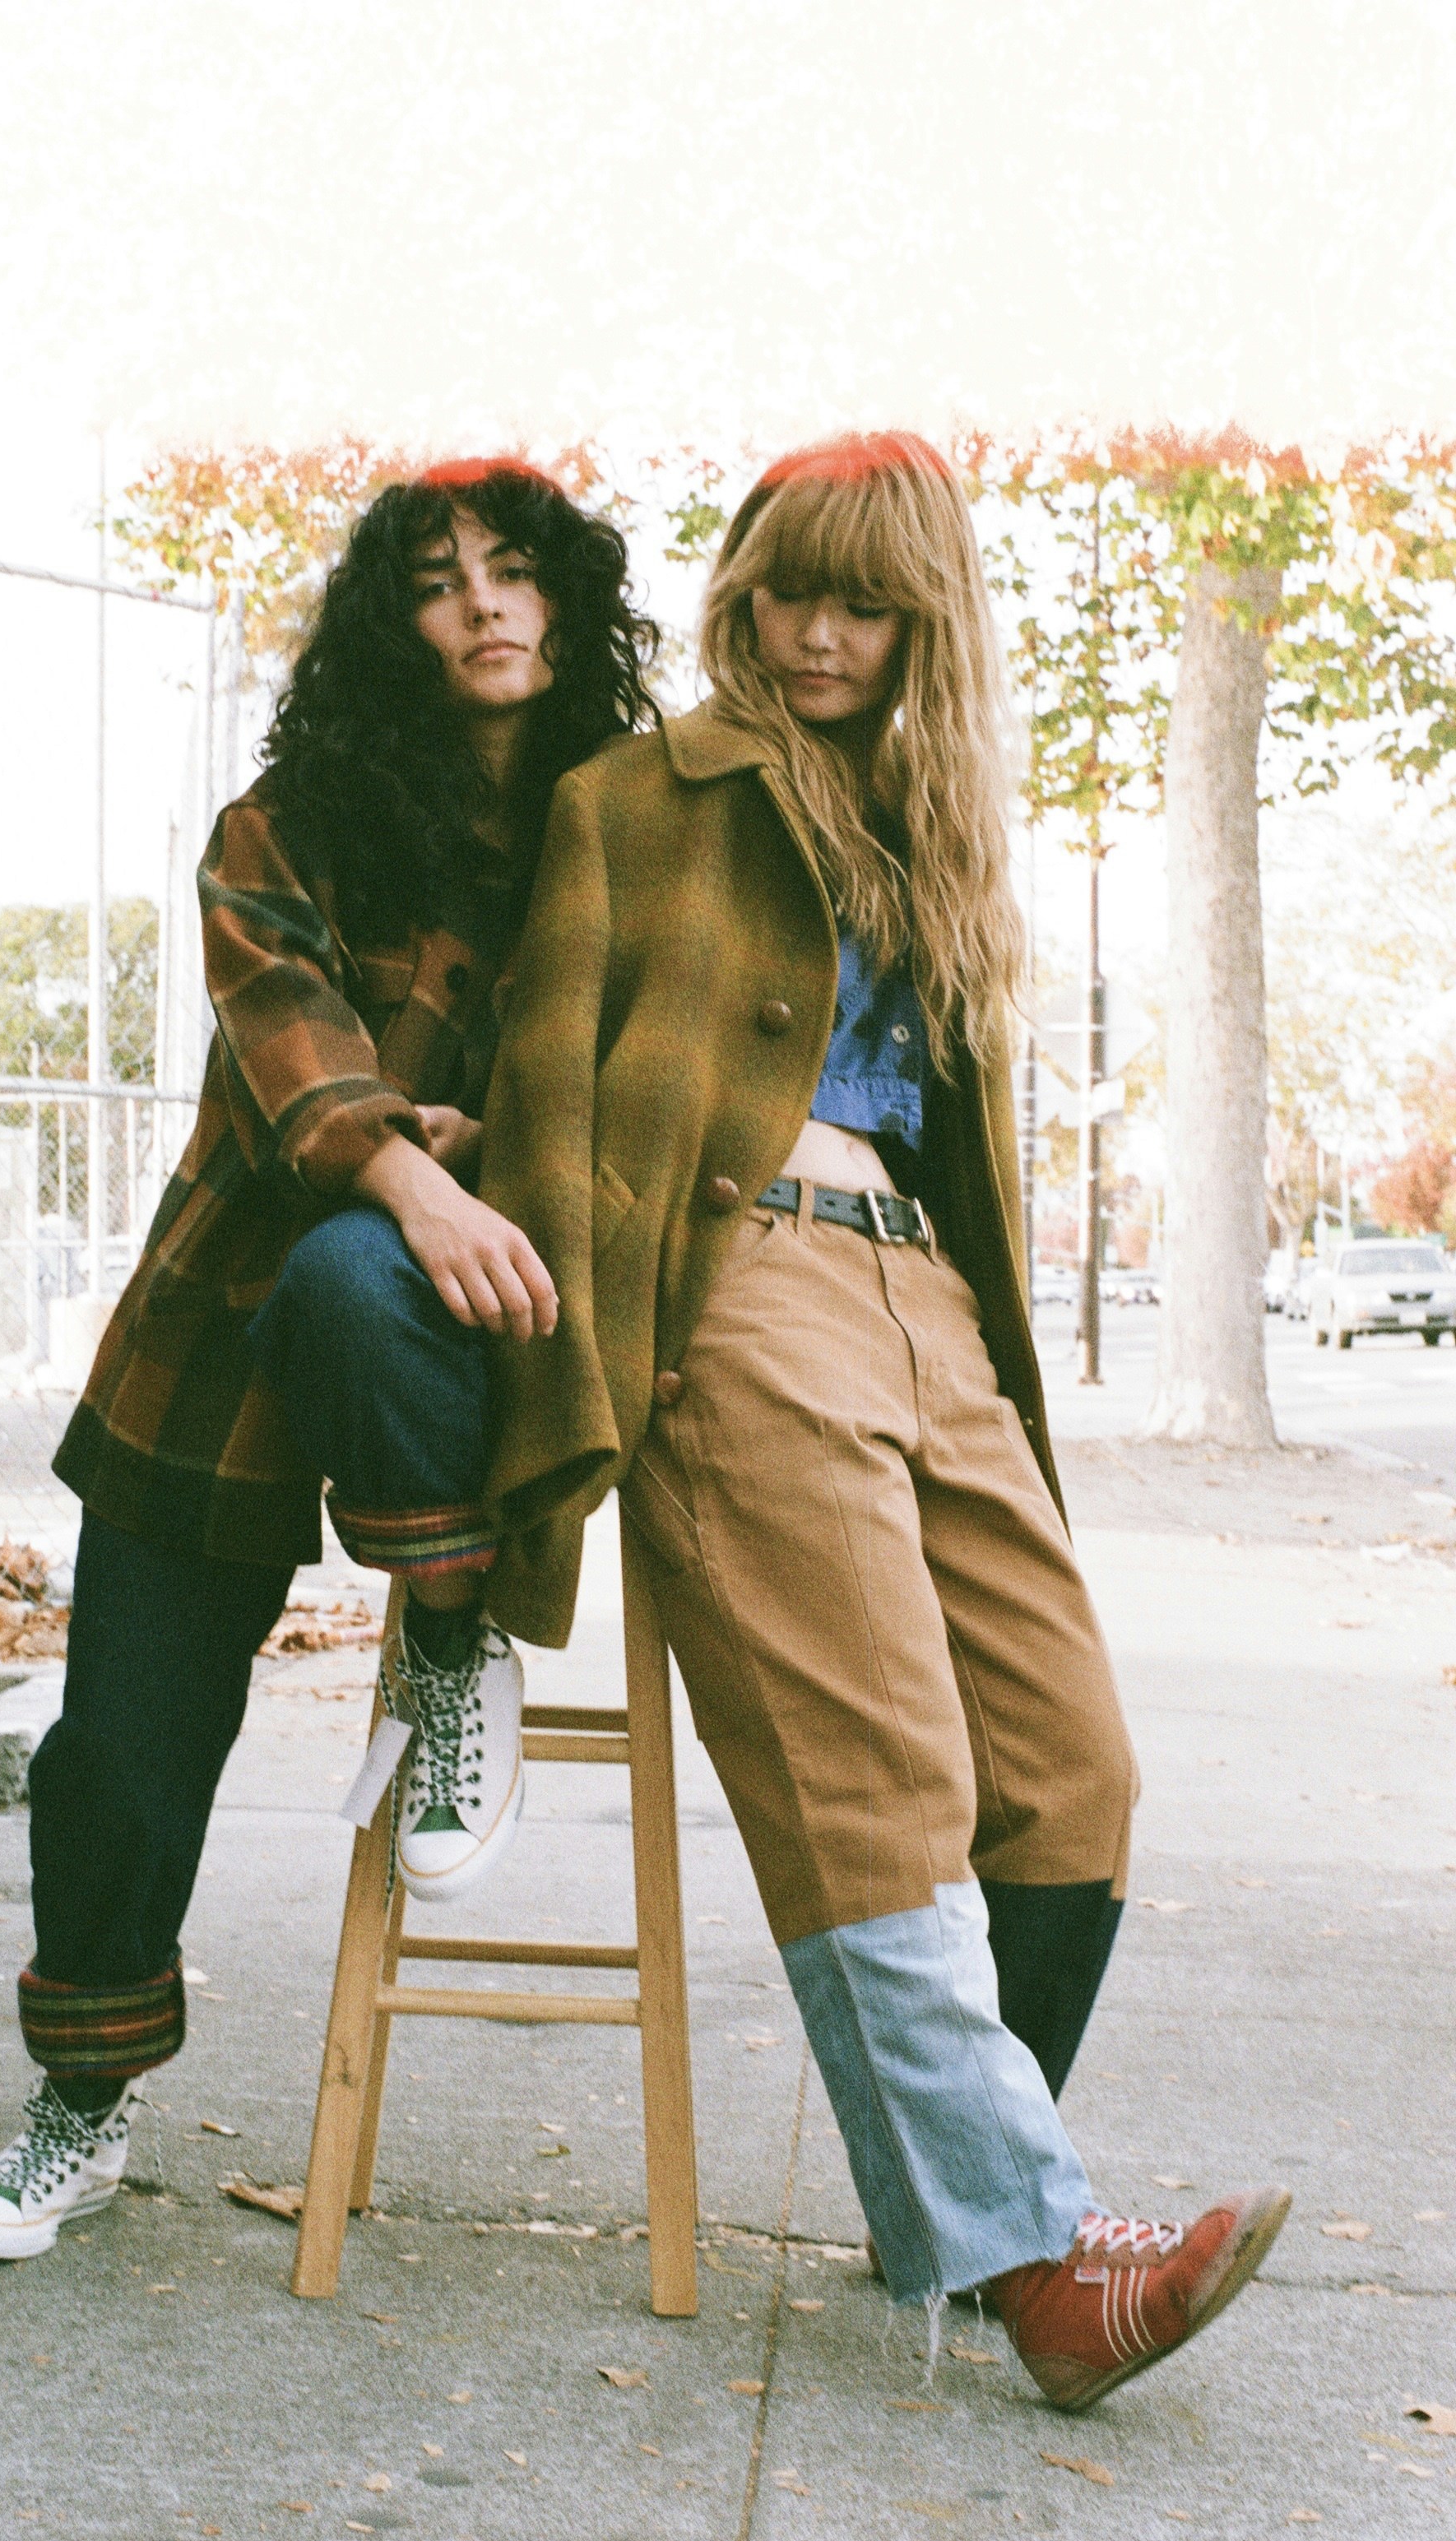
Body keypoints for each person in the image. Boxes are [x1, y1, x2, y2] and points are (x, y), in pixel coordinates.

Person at [478, 433, 1289, 2412]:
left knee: (1069, 1768)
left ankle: (951, 2204)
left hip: (928, 1305)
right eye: (789, 591)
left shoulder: (940, 835)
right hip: (742, 1286)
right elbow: (547, 1109)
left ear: (928, 623)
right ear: (741, 590)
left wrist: (982, 1349)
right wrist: (592, 1390)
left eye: (866, 604)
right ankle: (1035, 2263)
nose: (818, 634)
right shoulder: (634, 801)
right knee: (882, 1777)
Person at [0, 459, 658, 2262]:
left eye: (513, 567)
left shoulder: (620, 828)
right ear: (389, 628)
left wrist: (470, 1179)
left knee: (359, 1272)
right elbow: (295, 1052)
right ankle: (80, 2108)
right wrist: (423, 1167)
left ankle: (448, 1635)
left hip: (470, 1341)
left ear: (565, 599)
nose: (481, 601)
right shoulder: (285, 827)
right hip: (221, 1338)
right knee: (116, 1756)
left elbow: (636, 1089)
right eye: (436, 579)